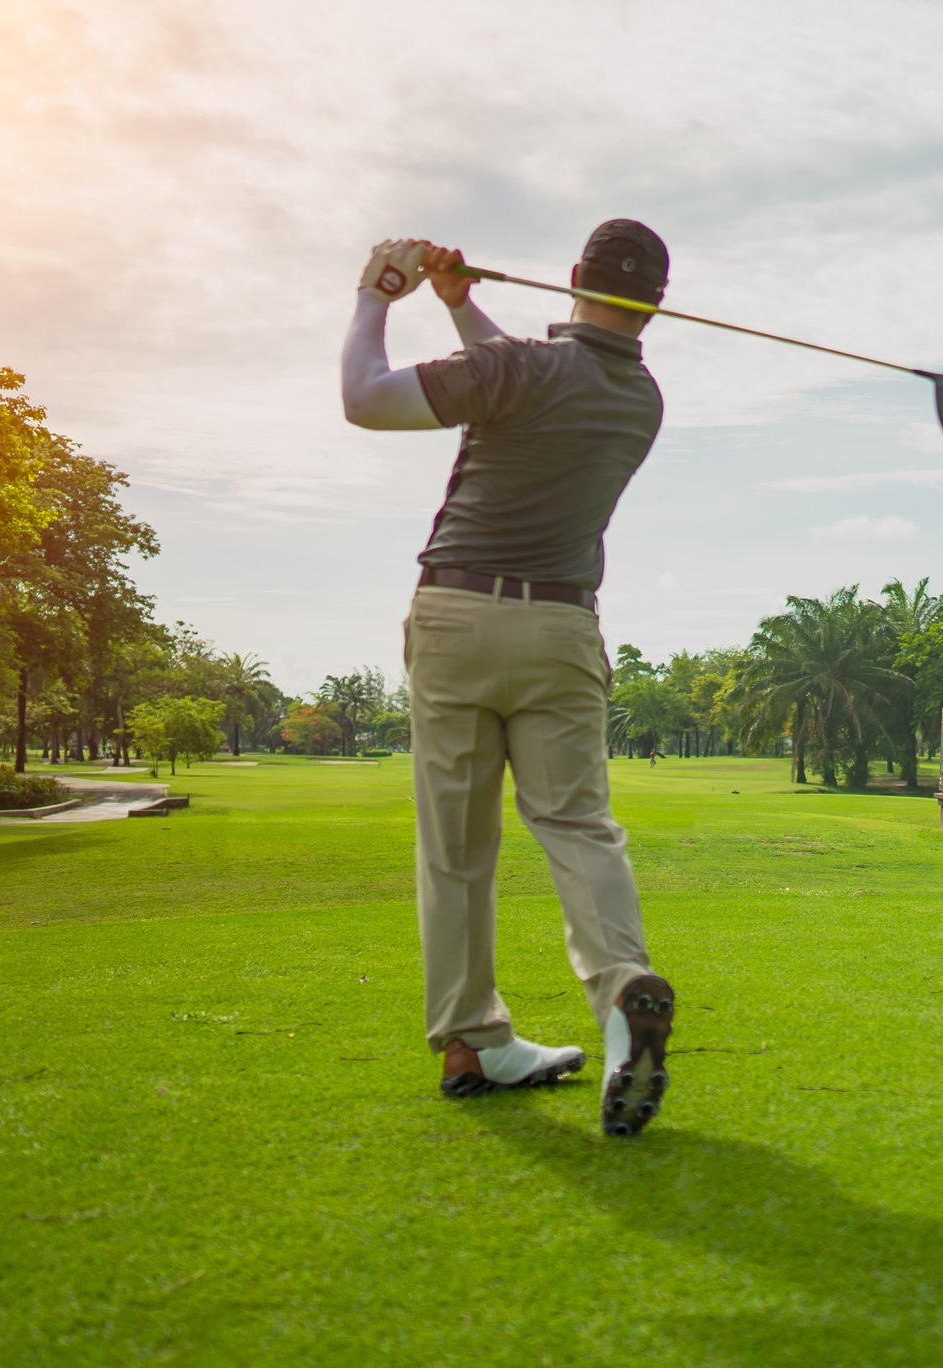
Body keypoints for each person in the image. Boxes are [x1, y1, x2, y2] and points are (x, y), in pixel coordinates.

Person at [341, 222, 677, 1138]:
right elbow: (523, 379)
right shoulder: (639, 398)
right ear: (655, 305)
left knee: (455, 845)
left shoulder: (519, 371)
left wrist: (378, 293)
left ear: (571, 278)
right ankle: (620, 999)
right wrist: (459, 307)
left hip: (456, 619)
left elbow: (366, 400)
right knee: (578, 826)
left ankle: (469, 1037)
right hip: (564, 628)